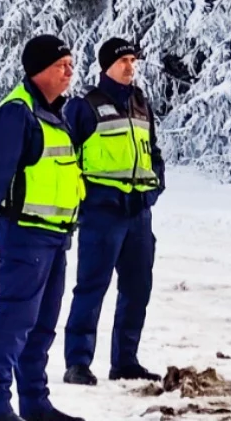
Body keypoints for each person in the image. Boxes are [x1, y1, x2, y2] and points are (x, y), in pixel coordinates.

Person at [0, 35, 89, 421]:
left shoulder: (59, 113)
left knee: (43, 323)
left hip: (55, 237)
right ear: (38, 70)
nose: (69, 71)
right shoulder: (17, 112)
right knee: (14, 319)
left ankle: (35, 402)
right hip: (25, 236)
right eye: (61, 65)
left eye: (71, 64)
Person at [62, 38, 165, 385]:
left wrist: (155, 187)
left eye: (133, 61)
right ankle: (77, 362)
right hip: (102, 213)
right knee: (91, 287)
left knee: (138, 287)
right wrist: (81, 201)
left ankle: (125, 361)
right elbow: (66, 158)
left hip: (138, 214)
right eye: (123, 61)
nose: (130, 66)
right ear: (106, 66)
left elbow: (153, 150)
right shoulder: (85, 106)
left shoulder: (140, 103)